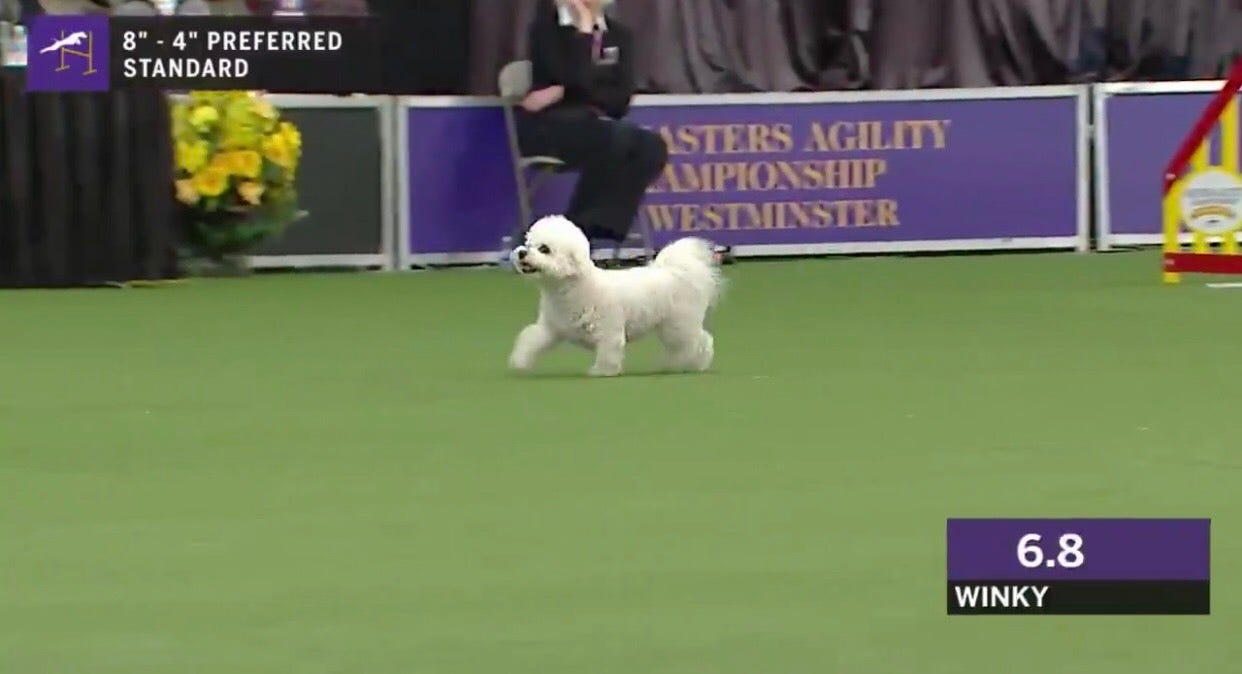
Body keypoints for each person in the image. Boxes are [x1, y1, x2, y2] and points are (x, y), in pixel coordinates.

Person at [516, 0, 666, 247]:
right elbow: (574, 77)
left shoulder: (620, 35)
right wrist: (585, 32)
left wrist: (563, 91)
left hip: (600, 126)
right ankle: (575, 234)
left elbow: (620, 100)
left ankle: (583, 228)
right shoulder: (545, 32)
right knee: (616, 139)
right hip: (551, 129)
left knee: (652, 146)